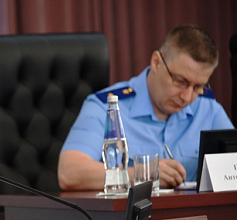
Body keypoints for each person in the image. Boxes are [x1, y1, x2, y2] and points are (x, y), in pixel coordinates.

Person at [58, 25, 234, 191]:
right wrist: (141, 174)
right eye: (180, 81)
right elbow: (69, 173)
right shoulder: (107, 107)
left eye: (198, 87)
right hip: (130, 213)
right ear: (156, 62)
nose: (187, 97)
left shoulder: (208, 109)